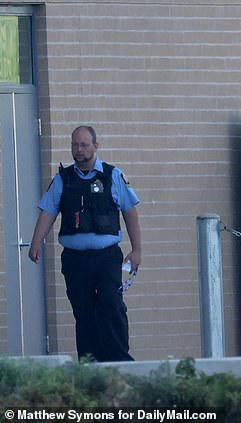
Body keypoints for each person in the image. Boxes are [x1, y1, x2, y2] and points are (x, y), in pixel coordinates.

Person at [29, 125, 141, 361]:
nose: (78, 150)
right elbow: (48, 212)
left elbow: (130, 212)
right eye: (74, 145)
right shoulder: (63, 179)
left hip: (107, 257)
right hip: (75, 260)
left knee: (111, 305)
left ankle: (119, 361)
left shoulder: (112, 176)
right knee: (84, 312)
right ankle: (90, 364)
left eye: (83, 145)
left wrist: (137, 249)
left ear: (95, 146)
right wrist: (36, 242)